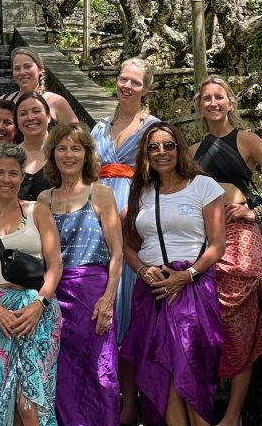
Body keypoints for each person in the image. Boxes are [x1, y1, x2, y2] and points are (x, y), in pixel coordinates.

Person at [192, 76, 262, 426]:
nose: (213, 103)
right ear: (199, 106)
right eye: (206, 98)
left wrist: (259, 211)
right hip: (205, 235)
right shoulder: (192, 151)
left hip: (241, 237)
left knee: (239, 323)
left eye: (218, 97)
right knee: (202, 325)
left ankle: (233, 416)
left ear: (230, 103)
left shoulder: (247, 140)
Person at [121, 123, 226, 426]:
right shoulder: (142, 190)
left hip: (190, 290)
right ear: (146, 154)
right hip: (152, 291)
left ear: (179, 148)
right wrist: (141, 269)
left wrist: (187, 275)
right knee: (162, 379)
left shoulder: (203, 186)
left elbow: (217, 245)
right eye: (153, 147)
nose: (161, 152)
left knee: (187, 373)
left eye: (168, 145)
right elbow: (127, 245)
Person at [0, 143, 62, 426]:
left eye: (13, 173)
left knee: (29, 403)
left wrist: (39, 305)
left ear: (21, 177)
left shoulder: (37, 211)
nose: (6, 179)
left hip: (37, 311)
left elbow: (55, 265)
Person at [38, 123, 122, 426]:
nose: (68, 154)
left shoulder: (101, 195)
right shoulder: (43, 200)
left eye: (76, 148)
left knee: (100, 370)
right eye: (62, 148)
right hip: (55, 295)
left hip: (92, 293)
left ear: (87, 154)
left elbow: (118, 254)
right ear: (52, 154)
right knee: (60, 372)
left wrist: (108, 300)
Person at [91, 57, 159, 425]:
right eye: (122, 79)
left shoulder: (153, 129)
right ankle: (104, 396)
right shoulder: (99, 126)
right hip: (96, 223)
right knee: (103, 308)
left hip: (134, 221)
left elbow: (162, 176)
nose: (126, 86)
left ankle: (131, 402)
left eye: (135, 82)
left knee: (128, 311)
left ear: (145, 88)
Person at [0, 46, 78, 127]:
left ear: (40, 69)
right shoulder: (4, 101)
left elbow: (77, 136)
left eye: (27, 66)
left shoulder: (57, 102)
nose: (22, 72)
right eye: (17, 68)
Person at [15, 91, 55, 201]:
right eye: (23, 114)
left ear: (48, 116)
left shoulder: (63, 153)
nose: (30, 117)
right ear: (17, 121)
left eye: (36, 111)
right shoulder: (9, 156)